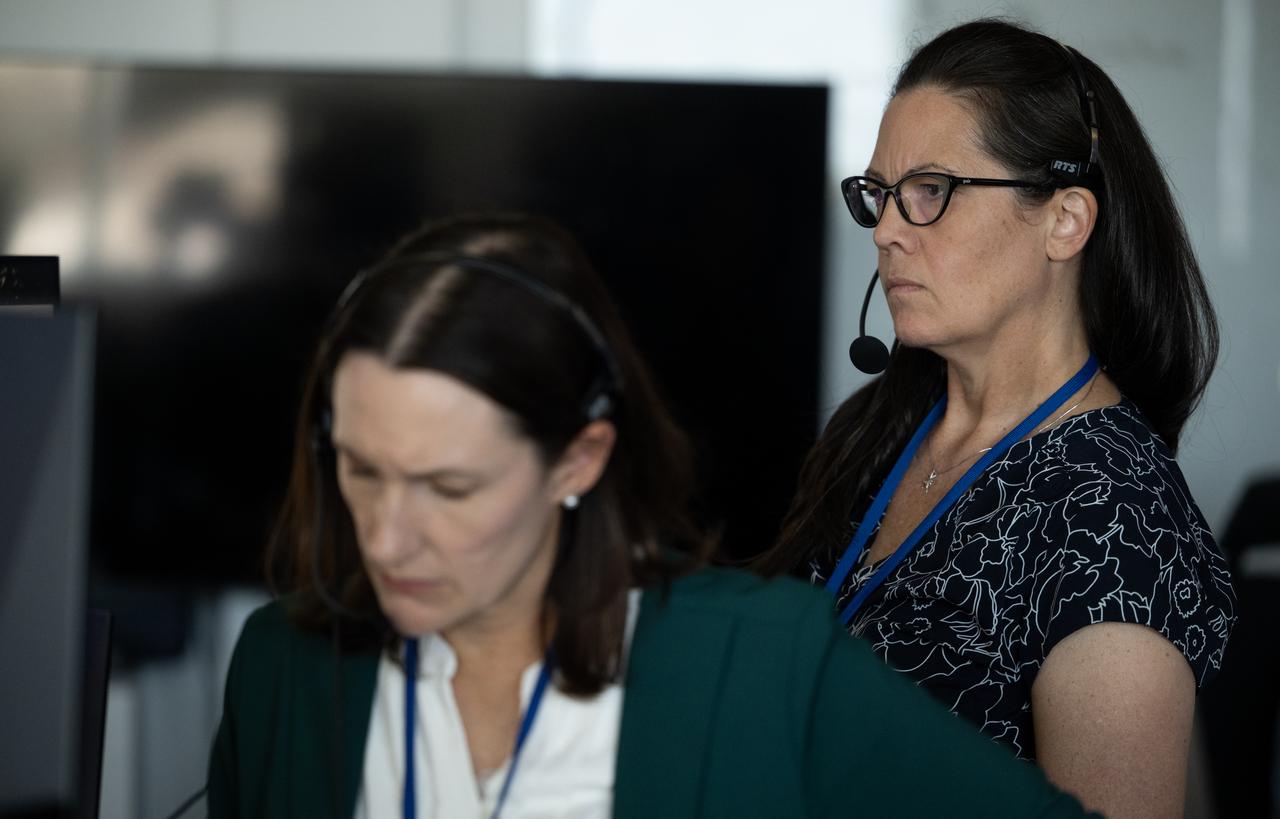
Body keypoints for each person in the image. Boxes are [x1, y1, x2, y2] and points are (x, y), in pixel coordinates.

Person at [207, 213, 1095, 818]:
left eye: (450, 487)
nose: (387, 537)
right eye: (361, 471)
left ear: (580, 459)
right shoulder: (280, 670)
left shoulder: (765, 659)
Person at [753, 18, 1236, 819]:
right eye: (880, 192)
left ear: (1065, 221)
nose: (885, 230)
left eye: (931, 191)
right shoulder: (881, 426)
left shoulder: (1114, 519)